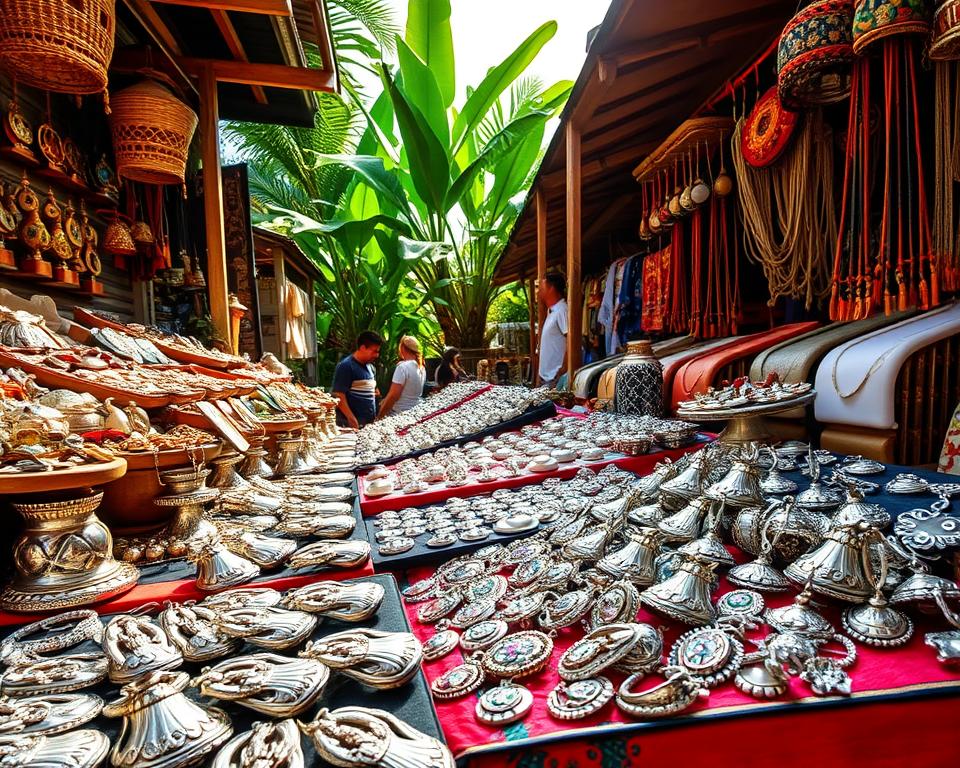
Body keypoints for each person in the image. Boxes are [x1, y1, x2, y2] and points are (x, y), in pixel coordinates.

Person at [332, 331, 381, 429]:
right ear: (363, 348)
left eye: (378, 352)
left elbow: (373, 390)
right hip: (351, 424)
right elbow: (339, 395)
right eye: (374, 351)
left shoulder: (371, 368)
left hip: (368, 424)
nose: (377, 355)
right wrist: (351, 419)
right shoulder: (346, 366)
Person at [377, 336, 426, 419]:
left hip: (400, 412)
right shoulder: (421, 367)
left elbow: (393, 395)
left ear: (402, 348)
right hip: (416, 409)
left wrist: (380, 415)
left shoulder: (403, 367)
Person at [537, 271, 568, 388]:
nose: (539, 291)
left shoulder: (562, 310)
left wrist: (563, 369)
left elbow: (571, 340)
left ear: (552, 288)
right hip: (547, 379)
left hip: (555, 379)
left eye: (542, 287)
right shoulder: (553, 312)